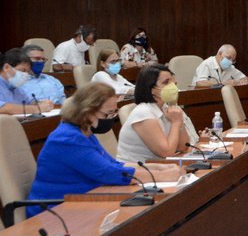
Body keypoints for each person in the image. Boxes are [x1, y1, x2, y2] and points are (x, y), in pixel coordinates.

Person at [26, 82, 183, 217]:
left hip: (82, 202)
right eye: (108, 113)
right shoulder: (66, 139)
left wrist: (158, 167)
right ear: (87, 111)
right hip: (55, 211)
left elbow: (114, 165)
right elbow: (109, 173)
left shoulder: (84, 132)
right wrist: (163, 175)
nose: (111, 118)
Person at [118, 64, 199, 162]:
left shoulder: (166, 107)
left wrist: (180, 123)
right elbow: (167, 152)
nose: (172, 85)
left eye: (173, 81)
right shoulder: (143, 113)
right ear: (151, 89)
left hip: (157, 166)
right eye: (166, 82)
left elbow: (183, 147)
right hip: (134, 171)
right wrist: (176, 122)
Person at [0, 48, 54, 115]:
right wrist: (38, 108)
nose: (26, 75)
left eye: (28, 72)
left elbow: (30, 103)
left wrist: (41, 103)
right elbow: (2, 108)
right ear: (6, 67)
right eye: (23, 70)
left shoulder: (17, 88)